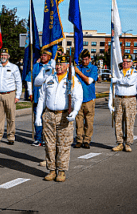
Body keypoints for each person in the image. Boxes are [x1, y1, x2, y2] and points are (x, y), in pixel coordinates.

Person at [35, 54, 83, 182]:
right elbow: (42, 98)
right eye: (57, 64)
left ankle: (61, 171)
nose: (58, 67)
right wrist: (38, 115)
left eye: (61, 64)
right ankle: (51, 170)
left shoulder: (72, 80)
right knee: (49, 144)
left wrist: (75, 111)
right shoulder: (49, 78)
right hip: (49, 115)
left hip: (64, 115)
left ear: (67, 66)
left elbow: (78, 98)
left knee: (63, 144)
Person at [109, 53, 137, 152]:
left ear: (131, 63)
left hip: (129, 99)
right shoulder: (118, 72)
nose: (125, 64)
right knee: (118, 121)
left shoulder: (134, 72)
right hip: (118, 98)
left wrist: (117, 80)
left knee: (129, 121)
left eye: (127, 62)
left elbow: (129, 82)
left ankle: (128, 143)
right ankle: (120, 142)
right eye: (124, 62)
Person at [0, 48, 22, 145]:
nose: (3, 57)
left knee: (11, 117)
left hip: (10, 94)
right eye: (2, 55)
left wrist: (18, 95)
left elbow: (18, 82)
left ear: (8, 56)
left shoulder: (14, 67)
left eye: (5, 55)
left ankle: (11, 136)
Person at [26, 49, 55, 147]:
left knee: (48, 119)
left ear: (49, 57)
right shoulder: (35, 66)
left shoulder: (52, 67)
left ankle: (47, 138)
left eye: (45, 55)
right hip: (37, 96)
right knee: (37, 118)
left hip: (49, 98)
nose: (43, 57)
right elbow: (29, 80)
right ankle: (38, 139)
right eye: (42, 55)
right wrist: (30, 93)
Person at [73, 49, 98, 149]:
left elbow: (89, 81)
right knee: (79, 121)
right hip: (78, 99)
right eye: (83, 59)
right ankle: (79, 139)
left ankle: (87, 140)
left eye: (86, 59)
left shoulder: (93, 68)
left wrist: (78, 72)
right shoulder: (77, 68)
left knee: (88, 121)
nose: (84, 61)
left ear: (90, 59)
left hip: (89, 98)